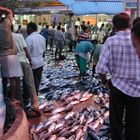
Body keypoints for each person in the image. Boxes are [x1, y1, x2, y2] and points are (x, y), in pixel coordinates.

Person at [96, 13, 140, 140]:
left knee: (115, 121)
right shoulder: (137, 37)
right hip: (137, 91)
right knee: (134, 124)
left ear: (114, 27)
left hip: (117, 87)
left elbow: (100, 69)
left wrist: (104, 81)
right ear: (130, 24)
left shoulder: (111, 41)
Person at [12, 27, 41, 118]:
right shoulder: (19, 36)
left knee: (16, 84)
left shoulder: (6, 36)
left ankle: (21, 107)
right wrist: (30, 59)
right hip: (23, 60)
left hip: (13, 61)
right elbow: (25, 49)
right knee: (30, 83)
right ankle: (35, 104)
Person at [0, 6, 23, 106]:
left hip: (2, 56)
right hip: (11, 56)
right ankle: (12, 99)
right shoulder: (5, 25)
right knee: (13, 79)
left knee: (4, 78)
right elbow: (9, 11)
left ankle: (4, 96)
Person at [26, 22, 46, 94]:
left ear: (30, 29)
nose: (26, 31)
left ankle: (32, 97)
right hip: (40, 61)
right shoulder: (42, 37)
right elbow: (44, 50)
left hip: (32, 62)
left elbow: (26, 52)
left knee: (31, 82)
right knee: (37, 80)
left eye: (27, 29)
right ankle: (36, 95)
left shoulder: (29, 38)